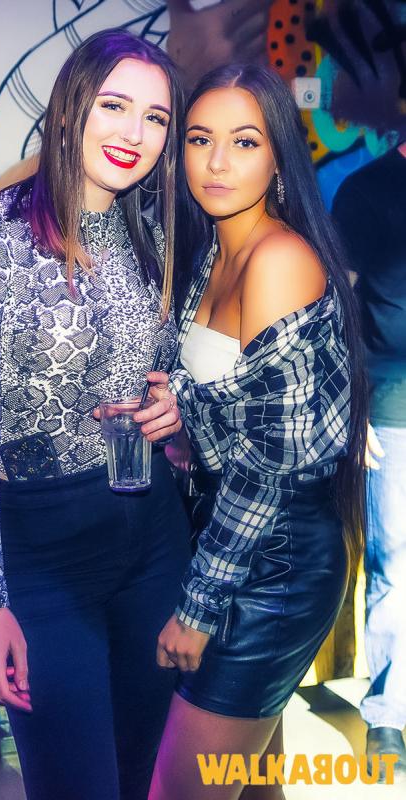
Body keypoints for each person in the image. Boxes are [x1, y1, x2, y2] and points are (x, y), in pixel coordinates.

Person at [0, 29, 191, 800]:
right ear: (73, 107)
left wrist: (174, 404)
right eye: (115, 106)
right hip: (43, 553)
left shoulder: (155, 231)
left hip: (153, 539)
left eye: (155, 118)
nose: (133, 132)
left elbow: (170, 367)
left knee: (141, 778)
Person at [149, 63, 367, 800]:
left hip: (275, 562)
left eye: (243, 142)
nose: (216, 162)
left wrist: (196, 608)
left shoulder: (277, 259)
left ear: (278, 156)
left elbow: (267, 466)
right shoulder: (214, 250)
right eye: (199, 139)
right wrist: (180, 412)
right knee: (252, 787)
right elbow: (234, 406)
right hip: (230, 536)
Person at [333, 142, 406, 782]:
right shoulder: (366, 191)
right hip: (392, 407)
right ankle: (388, 714)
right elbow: (341, 309)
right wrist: (352, 411)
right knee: (397, 565)